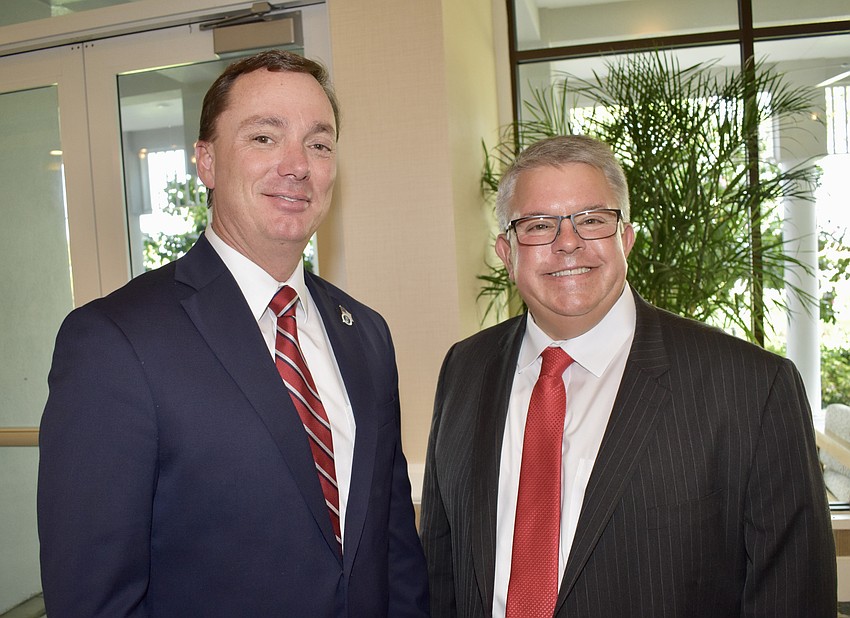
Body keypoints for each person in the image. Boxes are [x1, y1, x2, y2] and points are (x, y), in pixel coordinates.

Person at [38, 49, 429, 617]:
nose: (297, 164)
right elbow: (92, 599)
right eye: (264, 138)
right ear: (206, 161)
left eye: (318, 144)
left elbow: (394, 548)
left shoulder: (365, 334)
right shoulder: (114, 341)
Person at [420, 134, 836, 617]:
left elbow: (794, 597)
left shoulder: (752, 389)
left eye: (592, 221)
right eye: (537, 225)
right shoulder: (464, 371)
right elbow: (440, 572)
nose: (567, 242)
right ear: (507, 253)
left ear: (627, 239)